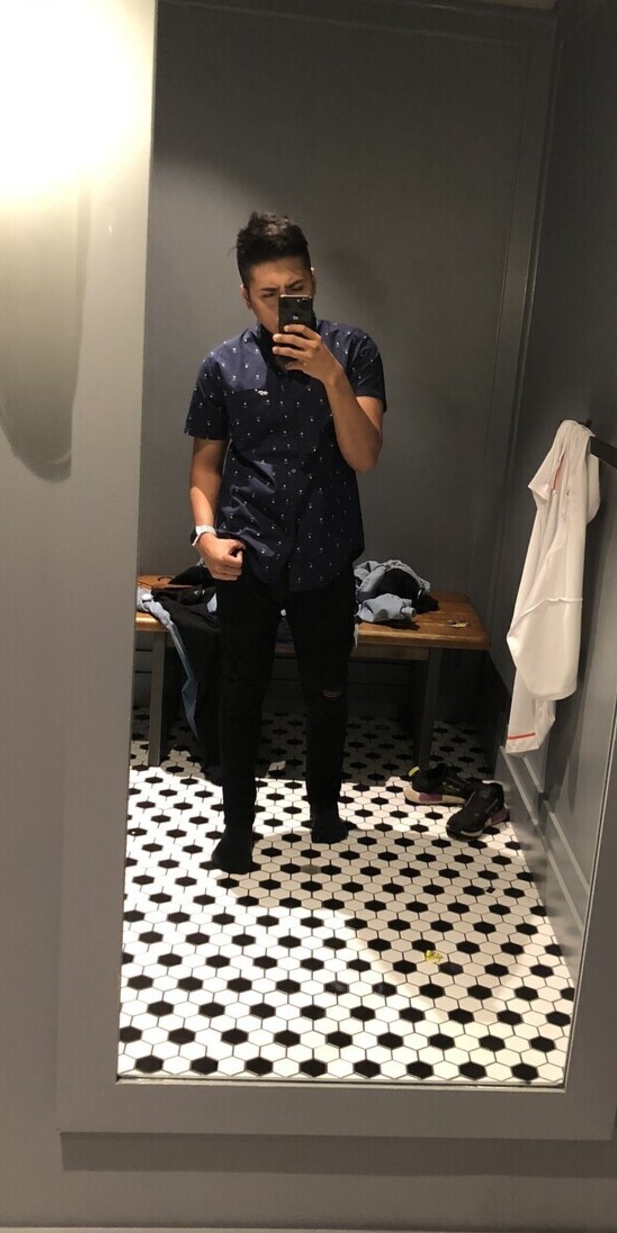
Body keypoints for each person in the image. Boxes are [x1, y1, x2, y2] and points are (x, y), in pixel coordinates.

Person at [184, 213, 386, 874]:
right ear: (246, 296)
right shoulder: (223, 364)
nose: (283, 304)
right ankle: (237, 829)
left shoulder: (355, 351)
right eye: (269, 294)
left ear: (314, 281)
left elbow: (365, 456)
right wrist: (205, 536)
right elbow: (205, 466)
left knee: (327, 687)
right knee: (240, 693)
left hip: (326, 552)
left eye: (295, 289)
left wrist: (331, 377)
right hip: (246, 552)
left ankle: (324, 809)